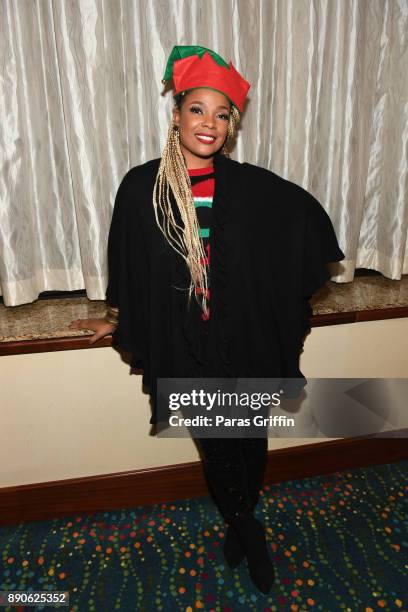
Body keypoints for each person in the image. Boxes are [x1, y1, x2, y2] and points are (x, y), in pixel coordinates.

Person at [69, 45, 345, 594]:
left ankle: (240, 522)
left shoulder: (250, 186)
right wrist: (118, 320)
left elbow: (307, 227)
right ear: (177, 115)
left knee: (250, 438)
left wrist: (287, 290)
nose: (209, 124)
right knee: (217, 441)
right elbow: (130, 264)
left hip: (244, 336)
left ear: (231, 126)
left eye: (222, 115)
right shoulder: (142, 187)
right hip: (186, 342)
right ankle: (249, 529)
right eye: (198, 110)